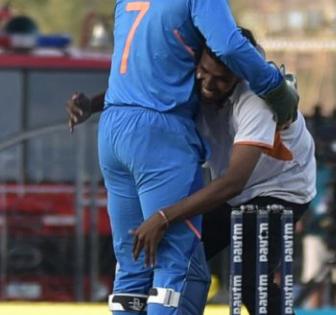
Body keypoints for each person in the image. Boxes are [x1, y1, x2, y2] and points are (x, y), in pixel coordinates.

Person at [67, 28, 315, 315]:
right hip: (235, 189)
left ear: (241, 75)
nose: (209, 84)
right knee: (176, 252)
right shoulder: (191, 78)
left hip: (281, 189)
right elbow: (144, 94)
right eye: (205, 73)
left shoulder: (255, 100)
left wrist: (163, 216)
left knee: (250, 278)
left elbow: (233, 183)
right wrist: (91, 104)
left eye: (222, 79)